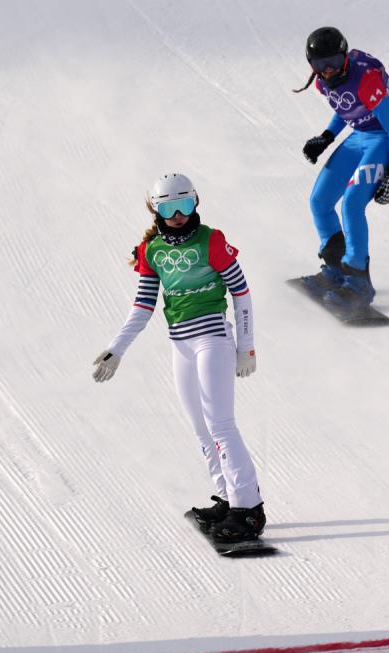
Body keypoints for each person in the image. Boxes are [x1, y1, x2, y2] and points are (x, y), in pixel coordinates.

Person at [92, 173, 265, 542]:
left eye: (185, 205)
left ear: (196, 202)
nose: (178, 215)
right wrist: (116, 348)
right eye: (169, 207)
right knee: (199, 426)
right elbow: (142, 306)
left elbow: (242, 292)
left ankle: (248, 508)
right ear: (155, 209)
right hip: (180, 343)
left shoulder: (211, 241)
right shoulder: (151, 250)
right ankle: (226, 497)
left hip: (212, 338)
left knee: (221, 424)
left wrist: (245, 346)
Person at [294, 26, 389, 309]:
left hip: (383, 139)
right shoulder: (323, 81)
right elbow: (346, 106)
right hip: (359, 137)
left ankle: (358, 282)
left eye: (332, 62)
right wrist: (327, 136)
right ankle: (336, 270)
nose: (328, 70)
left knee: (352, 204)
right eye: (319, 65)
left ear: (345, 56)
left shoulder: (367, 80)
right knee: (319, 201)